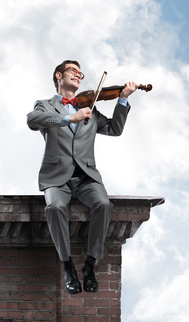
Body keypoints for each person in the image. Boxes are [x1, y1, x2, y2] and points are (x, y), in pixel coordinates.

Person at [26, 60, 137, 294]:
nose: (78, 75)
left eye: (80, 73)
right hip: (57, 176)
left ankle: (89, 265)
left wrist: (123, 99)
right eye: (72, 71)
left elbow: (115, 129)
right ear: (59, 75)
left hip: (86, 176)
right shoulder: (45, 105)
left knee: (104, 204)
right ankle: (68, 267)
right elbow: (32, 120)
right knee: (55, 208)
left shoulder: (91, 109)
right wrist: (69, 119)